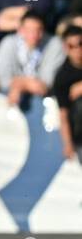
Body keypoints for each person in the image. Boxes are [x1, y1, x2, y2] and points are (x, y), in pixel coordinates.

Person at [52, 26, 82, 162]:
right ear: (65, 48)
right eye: (71, 46)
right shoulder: (63, 77)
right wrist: (68, 144)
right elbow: (63, 114)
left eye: (80, 44)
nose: (77, 50)